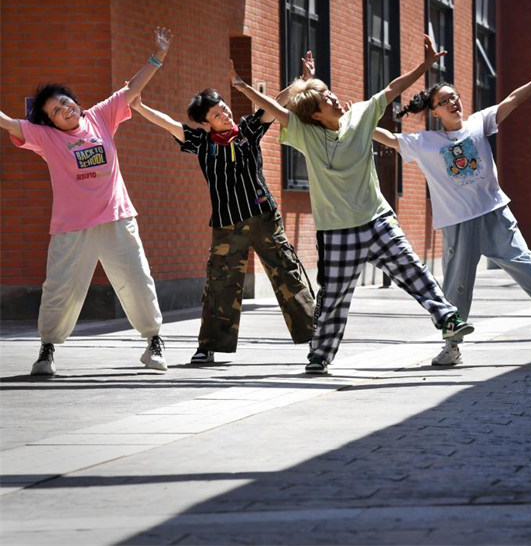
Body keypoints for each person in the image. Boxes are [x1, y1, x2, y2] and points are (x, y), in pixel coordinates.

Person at [233, 35, 475, 375]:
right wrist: (244, 87)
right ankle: (320, 355)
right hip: (337, 231)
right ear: (315, 115)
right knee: (333, 298)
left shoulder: (361, 115)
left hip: (377, 219)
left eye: (331, 92)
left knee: (412, 268)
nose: (334, 96)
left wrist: (424, 66)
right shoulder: (306, 134)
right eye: (326, 98)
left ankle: (448, 318)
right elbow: (273, 111)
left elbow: (392, 88)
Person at [372, 52, 531, 367]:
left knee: (523, 261)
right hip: (458, 222)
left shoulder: (478, 122)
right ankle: (452, 347)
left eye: (455, 97)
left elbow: (511, 100)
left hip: (494, 212)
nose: (453, 103)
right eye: (445, 101)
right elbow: (390, 139)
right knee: (457, 284)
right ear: (434, 111)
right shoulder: (426, 141)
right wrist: (357, 124)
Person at [0, 27, 173, 376]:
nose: (63, 109)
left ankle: (153, 340)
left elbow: (132, 89)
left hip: (117, 217)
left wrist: (158, 55)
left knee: (137, 279)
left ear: (75, 102)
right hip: (72, 227)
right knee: (60, 288)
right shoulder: (45, 137)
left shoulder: (99, 117)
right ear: (48, 120)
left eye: (65, 101)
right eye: (54, 110)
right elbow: (7, 123)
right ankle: (47, 349)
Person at [129, 54, 317, 364]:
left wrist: (303, 81)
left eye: (224, 108)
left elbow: (273, 106)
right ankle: (209, 346)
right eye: (217, 113)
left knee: (288, 275)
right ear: (205, 122)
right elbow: (170, 125)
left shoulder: (247, 130)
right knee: (220, 284)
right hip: (227, 225)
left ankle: (315, 339)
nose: (225, 114)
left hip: (264, 218)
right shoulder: (201, 143)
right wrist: (139, 107)